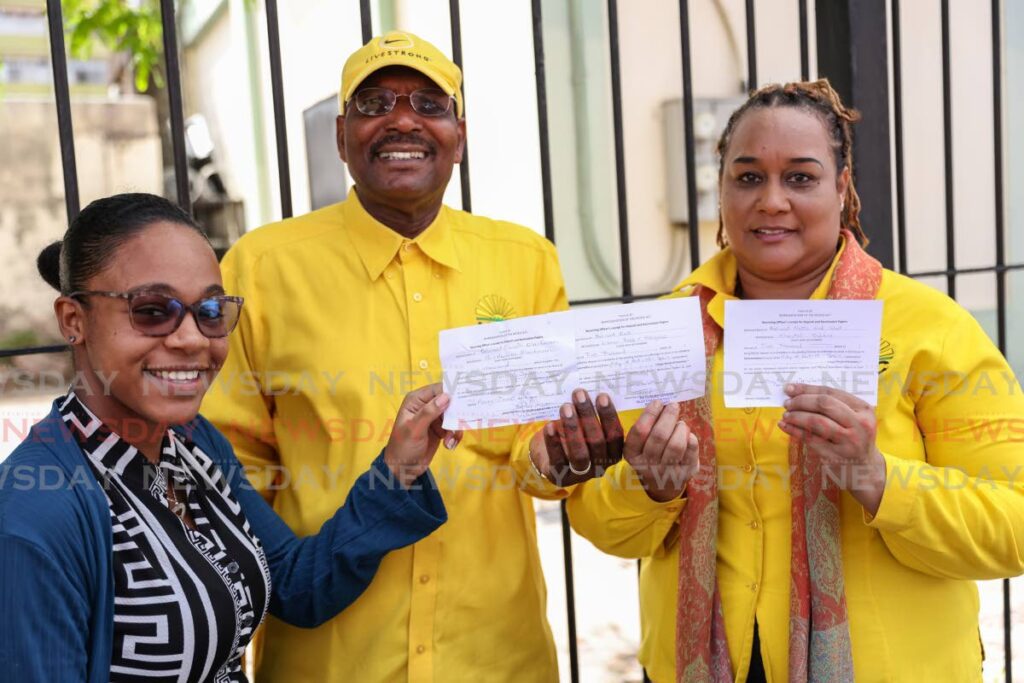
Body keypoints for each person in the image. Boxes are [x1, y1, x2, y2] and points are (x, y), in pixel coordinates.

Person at [524, 80, 1024, 682]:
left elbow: (1013, 525)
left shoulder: (927, 327)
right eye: (749, 177)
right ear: (723, 190)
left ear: (841, 187)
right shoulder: (665, 329)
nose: (772, 201)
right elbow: (603, 527)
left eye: (801, 178)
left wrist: (878, 478)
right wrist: (651, 490)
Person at [200, 31, 568, 681]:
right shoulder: (261, 268)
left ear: (459, 132)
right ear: (342, 135)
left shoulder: (525, 262)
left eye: (430, 103)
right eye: (375, 103)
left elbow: (536, 443)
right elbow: (230, 473)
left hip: (495, 656)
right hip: (332, 658)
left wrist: (559, 456)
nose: (403, 118)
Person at [0, 192, 459, 681]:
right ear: (74, 320)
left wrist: (398, 467)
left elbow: (298, 586)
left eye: (211, 311)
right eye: (152, 311)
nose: (193, 338)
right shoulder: (36, 515)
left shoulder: (195, 445)